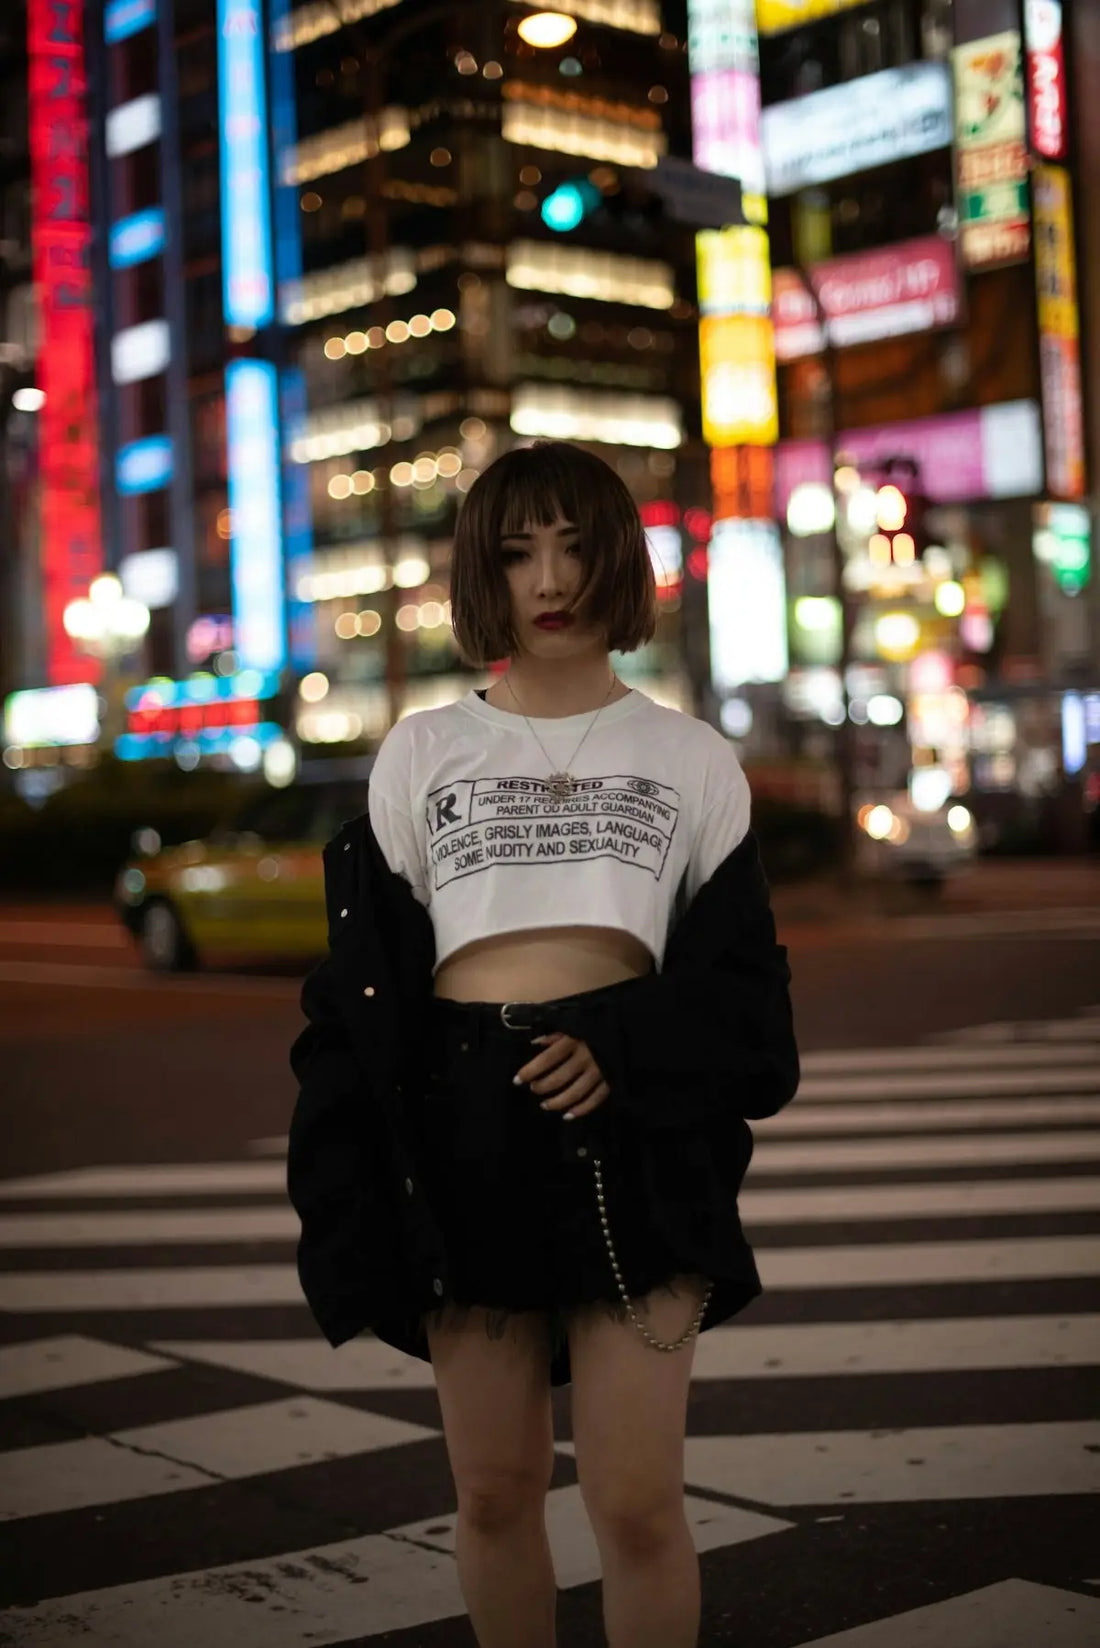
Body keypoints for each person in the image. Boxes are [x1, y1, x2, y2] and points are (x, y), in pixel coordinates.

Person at [286, 439, 799, 1648]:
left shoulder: (687, 757)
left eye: (572, 544)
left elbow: (749, 1012)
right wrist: (350, 1188)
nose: (548, 577)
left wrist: (621, 1044)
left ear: (617, 557)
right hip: (465, 1128)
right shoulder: (421, 750)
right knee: (493, 1491)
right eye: (516, 554)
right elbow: (364, 1004)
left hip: (629, 1130)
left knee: (633, 1501)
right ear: (484, 579)